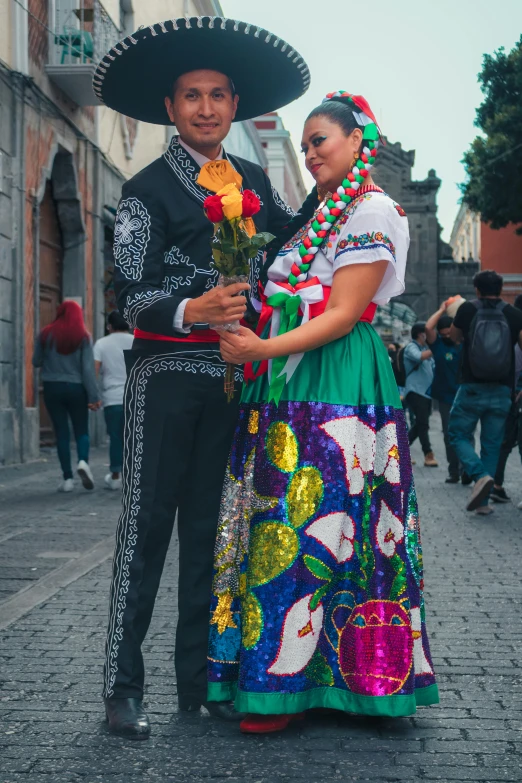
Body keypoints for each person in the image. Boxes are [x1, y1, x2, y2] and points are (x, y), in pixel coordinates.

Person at [93, 16, 316, 739]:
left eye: (219, 95)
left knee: (214, 540)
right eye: (192, 95)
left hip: (233, 386)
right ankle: (122, 688)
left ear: (233, 105)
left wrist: (348, 191)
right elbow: (126, 292)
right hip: (162, 381)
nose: (207, 107)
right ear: (170, 108)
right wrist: (193, 307)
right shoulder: (145, 189)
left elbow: (297, 235)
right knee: (146, 531)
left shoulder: (252, 180)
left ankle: (201, 685)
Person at [208, 91, 438, 734]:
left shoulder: (374, 210)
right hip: (282, 375)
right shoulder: (315, 220)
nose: (309, 153)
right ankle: (275, 679)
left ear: (356, 140)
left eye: (320, 140)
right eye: (304, 143)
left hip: (333, 375)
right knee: (278, 515)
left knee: (328, 518)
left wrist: (262, 345)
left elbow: (342, 314)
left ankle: (344, 683)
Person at [449, 271, 522, 515]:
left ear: (477, 289)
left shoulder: (468, 310)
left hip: (472, 385)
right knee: (492, 443)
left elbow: (455, 337)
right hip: (503, 388)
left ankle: (479, 475)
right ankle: (483, 502)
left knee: (458, 433)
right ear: (501, 289)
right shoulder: (513, 314)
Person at [32, 301, 100, 492]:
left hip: (52, 387)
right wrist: (93, 396)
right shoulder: (83, 337)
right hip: (77, 388)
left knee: (61, 432)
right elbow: (87, 370)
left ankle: (67, 479)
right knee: (81, 431)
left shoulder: (45, 333)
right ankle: (83, 462)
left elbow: (35, 361)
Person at [93, 311, 134, 491]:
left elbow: (94, 372)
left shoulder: (101, 343)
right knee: (136, 438)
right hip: (135, 396)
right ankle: (136, 476)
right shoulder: (136, 341)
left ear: (109, 326)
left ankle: (116, 475)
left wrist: (94, 397)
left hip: (112, 398)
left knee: (116, 438)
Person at [490, 293, 522, 507]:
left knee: (505, 441)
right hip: (516, 393)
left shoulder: (508, 332)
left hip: (507, 392)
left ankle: (497, 485)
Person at [425, 304, 462, 482]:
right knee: (449, 434)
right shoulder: (438, 345)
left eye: (450, 332)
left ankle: (467, 469)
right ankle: (454, 471)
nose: (447, 336)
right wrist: (441, 310)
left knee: (465, 433)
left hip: (464, 394)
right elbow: (428, 327)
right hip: (445, 397)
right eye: (444, 333)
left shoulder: (463, 343)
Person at [404, 323, 438, 467]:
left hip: (426, 393)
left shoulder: (425, 348)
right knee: (423, 424)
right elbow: (418, 357)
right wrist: (435, 346)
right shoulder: (412, 347)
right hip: (415, 391)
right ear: (420, 334)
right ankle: (428, 454)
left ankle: (401, 448)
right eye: (427, 333)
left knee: (420, 424)